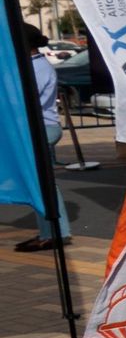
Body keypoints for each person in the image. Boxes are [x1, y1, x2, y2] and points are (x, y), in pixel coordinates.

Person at [15, 24, 72, 252]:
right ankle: (52, 232)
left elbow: (24, 100)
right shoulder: (34, 65)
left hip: (41, 128)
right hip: (41, 128)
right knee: (42, 183)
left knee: (43, 184)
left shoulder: (37, 68)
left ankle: (54, 232)